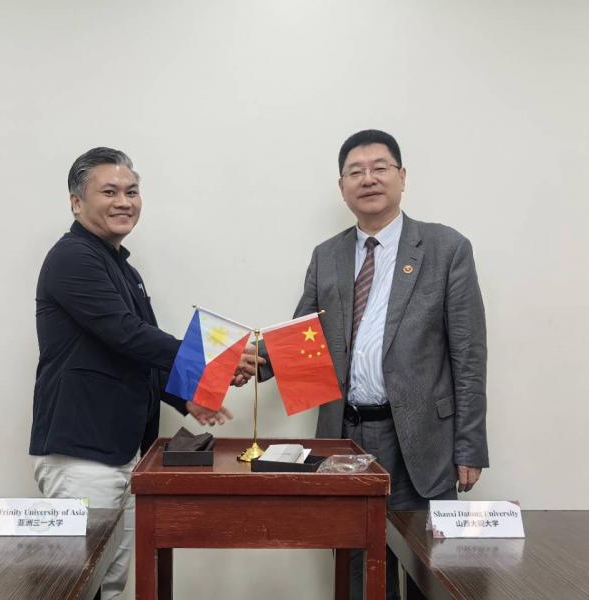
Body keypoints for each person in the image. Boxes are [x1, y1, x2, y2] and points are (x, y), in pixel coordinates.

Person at [266, 130, 488, 599]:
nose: (368, 179)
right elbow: (302, 337)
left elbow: (468, 355)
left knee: (429, 573)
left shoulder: (446, 248)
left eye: (379, 168)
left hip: (421, 441)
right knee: (357, 571)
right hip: (344, 438)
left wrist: (470, 446)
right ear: (342, 186)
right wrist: (251, 361)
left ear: (402, 176)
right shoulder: (327, 255)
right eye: (355, 171)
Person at [29, 147, 258, 599]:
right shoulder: (73, 258)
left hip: (121, 451)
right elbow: (127, 334)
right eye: (109, 192)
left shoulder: (123, 268)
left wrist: (186, 396)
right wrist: (218, 358)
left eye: (132, 192)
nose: (124, 202)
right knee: (79, 585)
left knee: (111, 582)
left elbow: (138, 352)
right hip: (81, 453)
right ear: (76, 202)